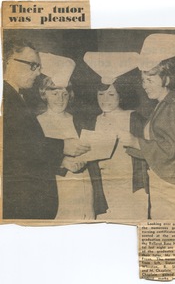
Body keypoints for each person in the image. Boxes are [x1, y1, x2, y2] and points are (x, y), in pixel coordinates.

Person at [3, 38, 90, 219]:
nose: (38, 72)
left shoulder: (15, 96)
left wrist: (62, 158)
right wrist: (63, 148)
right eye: (33, 65)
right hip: (22, 201)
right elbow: (18, 149)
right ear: (8, 62)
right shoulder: (7, 98)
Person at [37, 52, 106, 220]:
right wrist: (62, 164)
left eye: (65, 93)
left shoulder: (79, 121)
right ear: (44, 94)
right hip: (56, 190)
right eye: (54, 93)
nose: (60, 99)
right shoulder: (36, 123)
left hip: (83, 186)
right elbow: (32, 160)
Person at [83, 52, 149, 221]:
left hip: (131, 189)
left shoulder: (135, 119)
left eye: (111, 95)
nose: (105, 100)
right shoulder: (92, 121)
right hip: (103, 189)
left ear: (121, 95)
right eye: (100, 94)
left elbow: (149, 153)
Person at [124, 34, 175, 220]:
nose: (144, 86)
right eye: (143, 80)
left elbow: (171, 150)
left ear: (166, 79)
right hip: (161, 181)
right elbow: (157, 146)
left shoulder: (173, 105)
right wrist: (132, 147)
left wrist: (135, 141)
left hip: (169, 185)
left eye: (149, 80)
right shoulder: (162, 103)